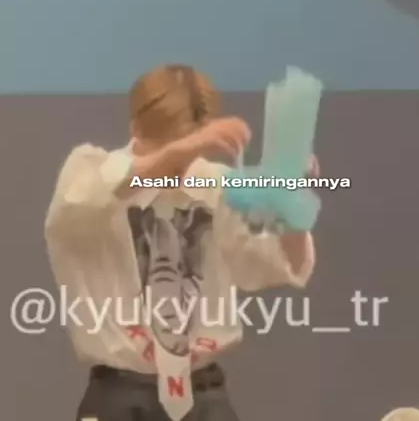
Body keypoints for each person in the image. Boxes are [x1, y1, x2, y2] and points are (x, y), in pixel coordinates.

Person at [44, 64, 320, 421]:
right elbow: (79, 203)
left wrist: (294, 208)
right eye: (169, 144)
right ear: (135, 127)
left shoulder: (217, 186)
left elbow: (276, 263)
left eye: (192, 147)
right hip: (120, 397)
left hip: (204, 396)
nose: (182, 163)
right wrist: (177, 153)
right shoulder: (90, 171)